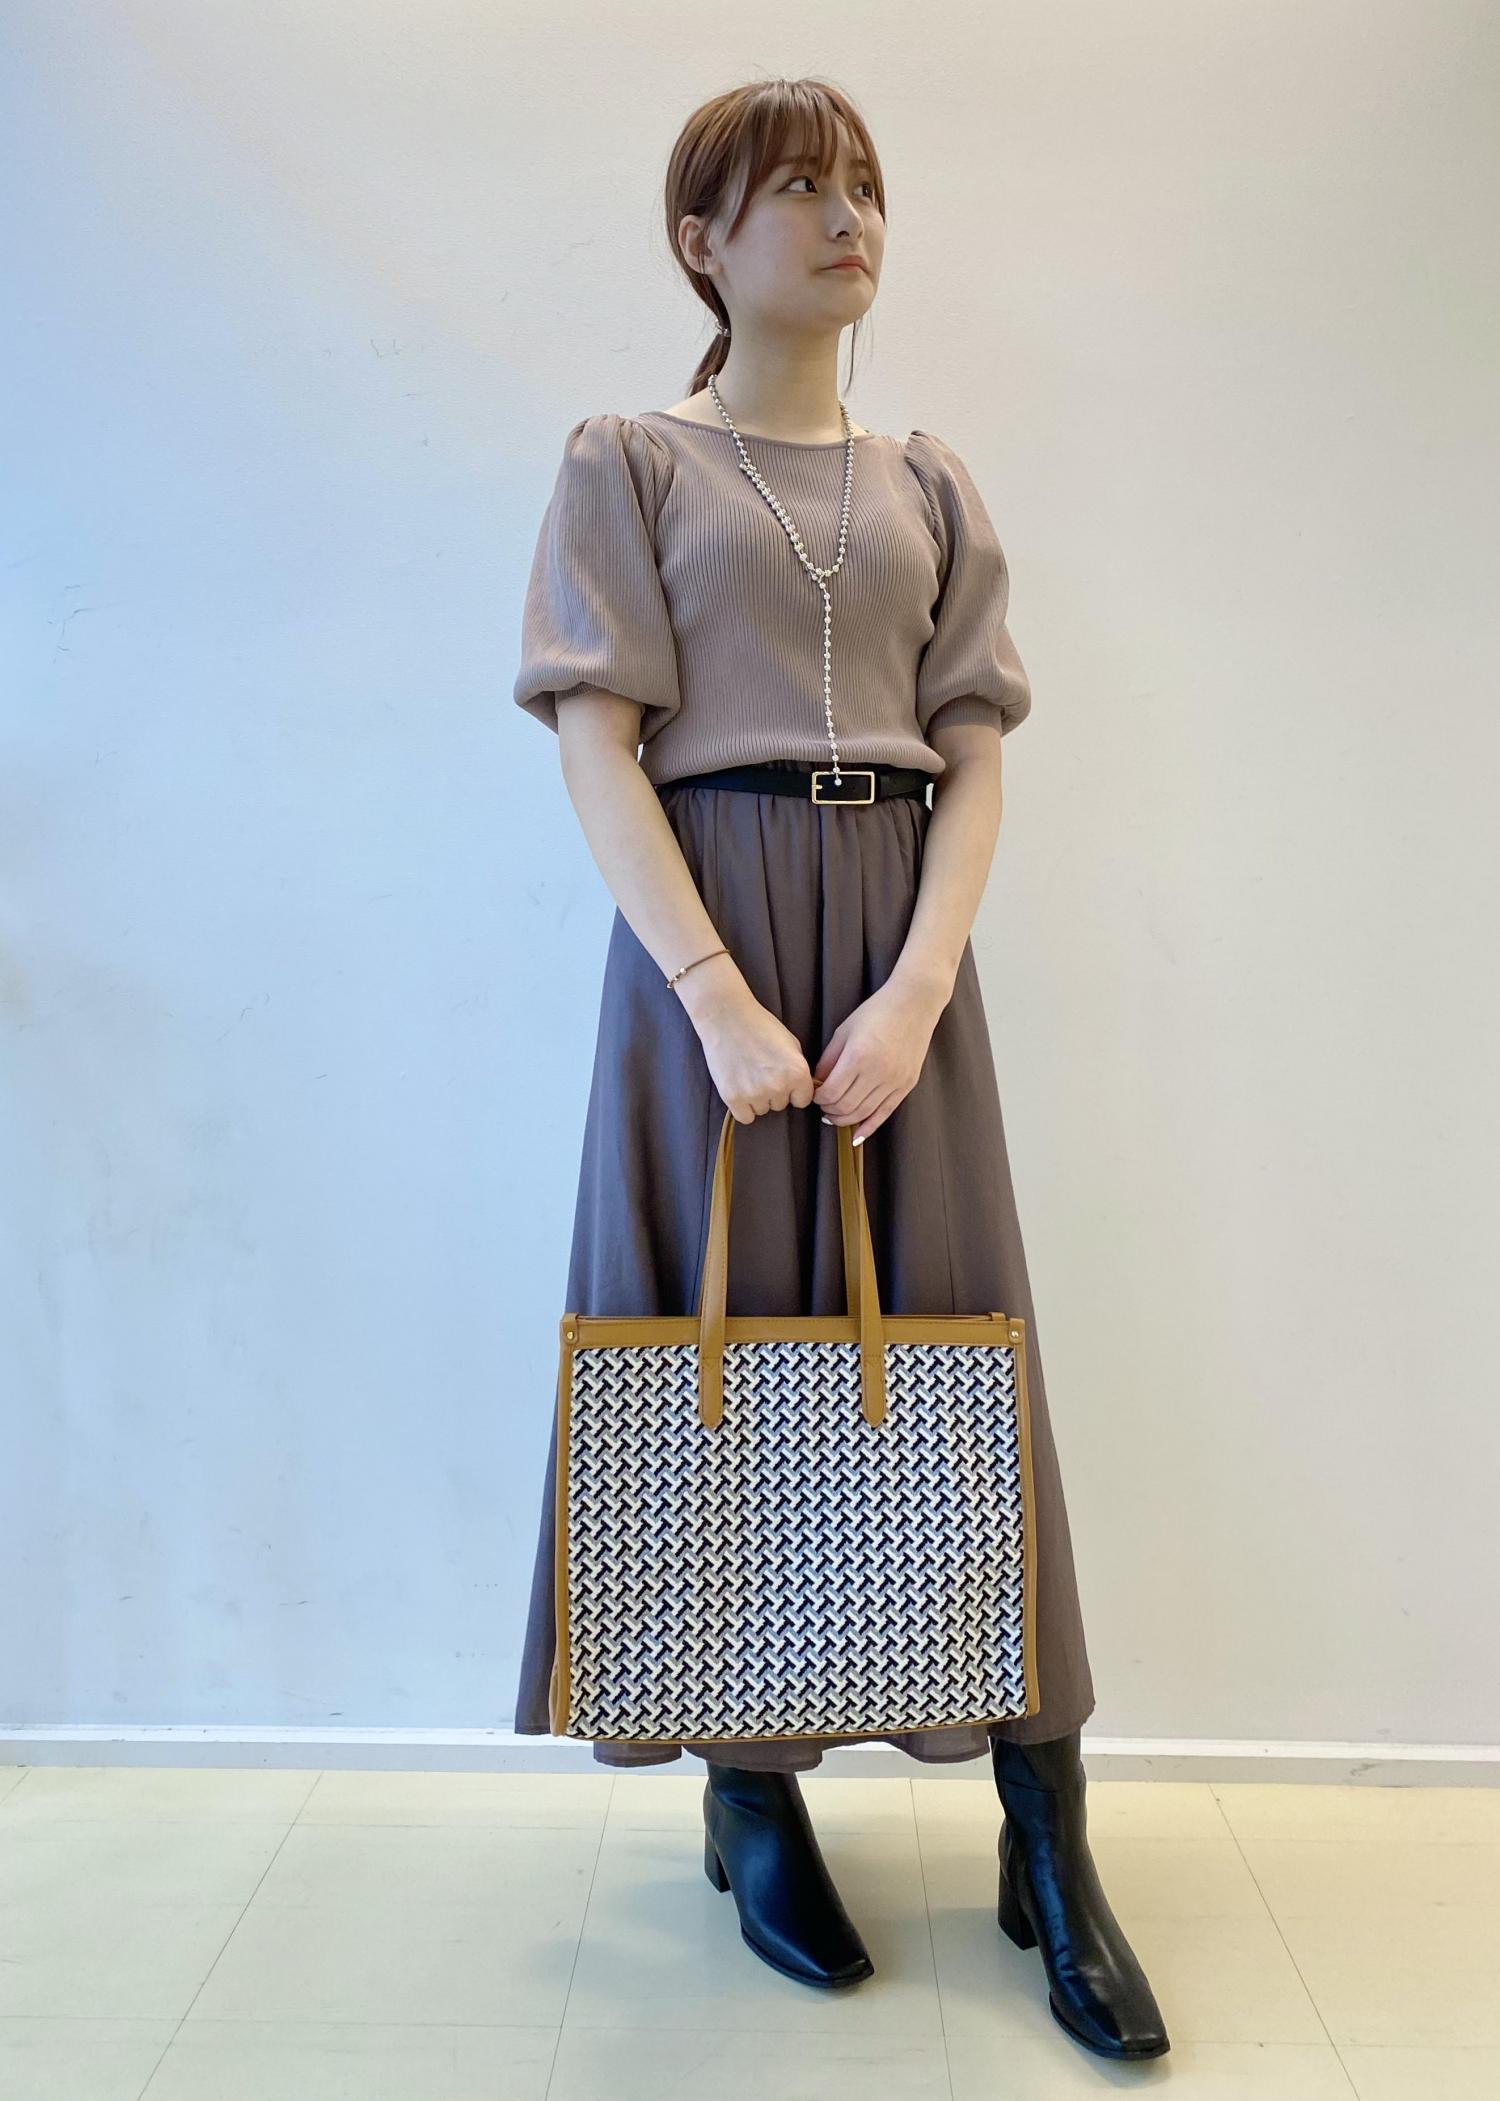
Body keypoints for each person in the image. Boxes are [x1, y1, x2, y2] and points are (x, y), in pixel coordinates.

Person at [510, 75, 1168, 2061]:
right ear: (701, 242)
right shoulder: (629, 460)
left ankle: (1046, 1825)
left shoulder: (928, 484)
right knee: (720, 1359)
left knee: (965, 1361)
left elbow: (972, 746)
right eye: (794, 187)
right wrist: (714, 991)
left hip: (897, 955)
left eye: (863, 181)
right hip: (705, 940)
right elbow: (597, 739)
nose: (844, 213)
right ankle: (751, 1789)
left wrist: (919, 982)